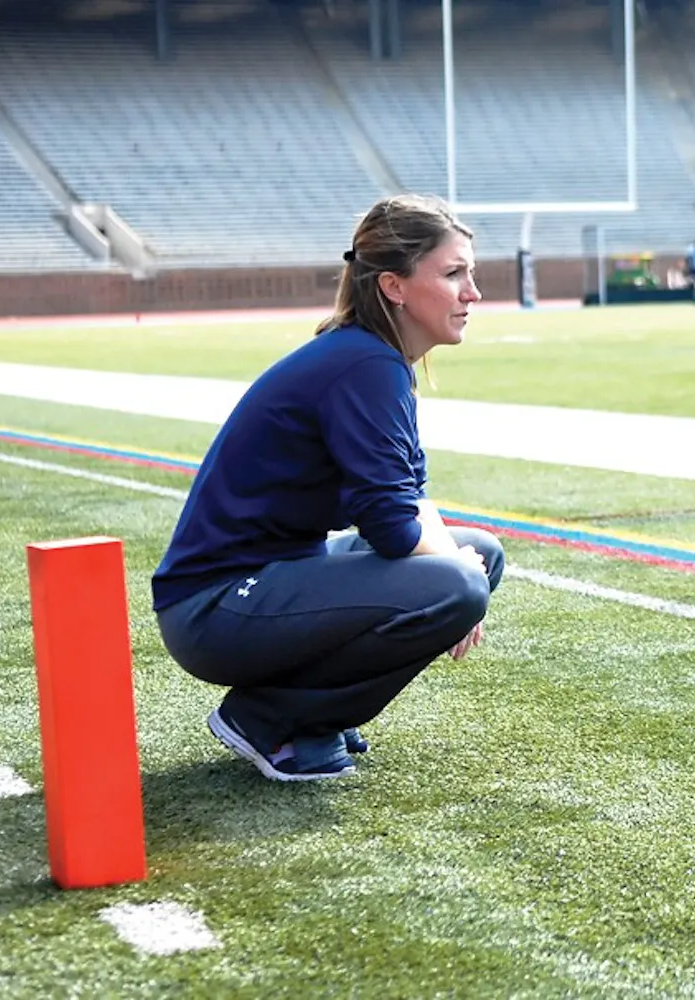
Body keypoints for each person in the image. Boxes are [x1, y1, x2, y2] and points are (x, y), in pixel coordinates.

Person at [152, 193, 505, 782]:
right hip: (213, 606)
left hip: (271, 580)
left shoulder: (374, 359)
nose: (473, 292)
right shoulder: (365, 364)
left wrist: (463, 574)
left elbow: (412, 496)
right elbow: (392, 528)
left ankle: (313, 714)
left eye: (470, 273)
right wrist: (460, 586)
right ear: (394, 286)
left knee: (480, 556)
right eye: (453, 274)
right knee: (458, 581)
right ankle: (269, 719)